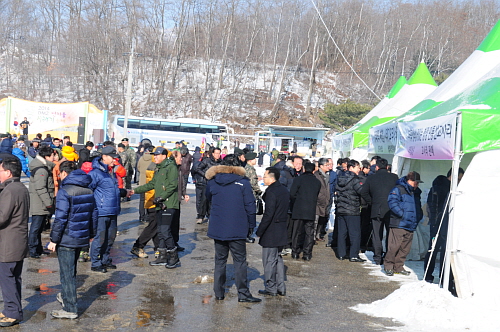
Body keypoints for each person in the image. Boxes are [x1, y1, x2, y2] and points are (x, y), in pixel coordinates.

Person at [205, 154, 261, 303]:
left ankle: (219, 292)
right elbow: (250, 205)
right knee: (240, 261)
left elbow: (208, 198)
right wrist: (251, 225)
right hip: (237, 226)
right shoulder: (243, 182)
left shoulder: (213, 182)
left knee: (220, 260)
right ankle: (243, 293)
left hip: (218, 226)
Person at [47, 161, 97, 319]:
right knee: (71, 271)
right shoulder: (88, 189)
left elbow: (60, 218)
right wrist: (91, 234)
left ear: (63, 173)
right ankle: (66, 296)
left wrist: (54, 239)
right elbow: (94, 214)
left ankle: (70, 309)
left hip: (67, 238)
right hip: (81, 237)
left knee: (66, 274)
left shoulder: (64, 191)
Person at [131, 147, 181, 269]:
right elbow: (151, 184)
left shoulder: (171, 167)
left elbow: (172, 185)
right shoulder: (158, 168)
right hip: (159, 204)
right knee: (159, 231)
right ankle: (162, 257)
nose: (155, 157)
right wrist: (134, 191)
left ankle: (174, 257)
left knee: (165, 230)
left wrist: (161, 197)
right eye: (154, 155)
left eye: (157, 155)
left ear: (164, 156)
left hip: (168, 204)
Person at [0, 156, 30, 327]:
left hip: (9, 242)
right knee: (14, 278)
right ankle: (12, 310)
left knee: (7, 278)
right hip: (16, 240)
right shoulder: (20, 187)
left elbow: (2, 217)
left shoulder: (10, 191)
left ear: (8, 172)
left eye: (0, 171)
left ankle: (12, 312)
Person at [88, 146, 126, 273]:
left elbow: (111, 190)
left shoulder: (111, 172)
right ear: (104, 157)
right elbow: (89, 191)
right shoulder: (95, 173)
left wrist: (124, 192)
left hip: (113, 210)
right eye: (112, 157)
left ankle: (105, 259)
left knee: (110, 237)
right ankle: (96, 262)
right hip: (101, 211)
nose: (114, 160)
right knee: (100, 238)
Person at [423, 168, 464, 283]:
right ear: (453, 176)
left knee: (440, 250)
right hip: (438, 224)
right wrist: (435, 223)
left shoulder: (453, 190)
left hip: (444, 225)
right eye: (459, 178)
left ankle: (439, 276)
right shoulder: (439, 188)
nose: (460, 181)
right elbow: (432, 207)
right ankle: (431, 275)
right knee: (435, 250)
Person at [256, 167, 289, 297]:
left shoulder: (272, 192)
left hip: (272, 230)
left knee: (269, 260)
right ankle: (281, 286)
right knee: (278, 259)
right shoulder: (284, 190)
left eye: (264, 176)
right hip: (281, 229)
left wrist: (260, 230)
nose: (263, 179)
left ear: (271, 177)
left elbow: (268, 214)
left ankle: (271, 287)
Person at [360, 158, 398, 265]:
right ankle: (388, 256)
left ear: (376, 167)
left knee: (377, 235)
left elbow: (364, 193)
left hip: (376, 209)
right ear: (387, 167)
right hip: (391, 209)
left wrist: (372, 202)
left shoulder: (371, 178)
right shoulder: (394, 177)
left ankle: (377, 257)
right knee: (390, 234)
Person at [384, 171, 423, 276]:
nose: (417, 184)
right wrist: (402, 214)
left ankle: (399, 266)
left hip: (411, 224)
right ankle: (388, 266)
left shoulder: (416, 192)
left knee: (405, 248)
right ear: (409, 180)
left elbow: (417, 207)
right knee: (394, 246)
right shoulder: (398, 189)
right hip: (399, 223)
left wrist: (419, 216)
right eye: (415, 182)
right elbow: (392, 202)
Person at [289, 162, 321, 260]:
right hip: (310, 209)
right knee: (309, 232)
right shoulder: (317, 182)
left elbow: (292, 194)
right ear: (313, 170)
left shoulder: (298, 179)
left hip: (298, 208)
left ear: (304, 169)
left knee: (297, 231)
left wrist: (296, 202)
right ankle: (307, 253)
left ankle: (295, 251)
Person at [28, 145, 55, 258]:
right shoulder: (41, 170)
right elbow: (41, 188)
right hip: (39, 203)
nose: (54, 158)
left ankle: (38, 249)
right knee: (35, 228)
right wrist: (48, 203)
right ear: (47, 156)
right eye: (53, 155)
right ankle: (32, 250)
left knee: (39, 228)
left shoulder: (43, 167)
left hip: (40, 202)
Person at [335, 159, 365, 262]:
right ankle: (353, 255)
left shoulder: (340, 178)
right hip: (352, 210)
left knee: (342, 233)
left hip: (341, 209)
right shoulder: (355, 180)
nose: (359, 169)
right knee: (355, 234)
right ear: (351, 168)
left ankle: (341, 254)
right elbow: (362, 192)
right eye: (357, 167)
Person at [192, 147, 222, 224]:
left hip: (216, 184)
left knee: (212, 201)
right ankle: (201, 216)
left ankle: (210, 216)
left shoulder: (221, 162)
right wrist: (206, 175)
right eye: (216, 153)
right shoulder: (206, 161)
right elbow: (198, 169)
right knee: (204, 200)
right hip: (206, 183)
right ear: (213, 153)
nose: (217, 155)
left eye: (219, 153)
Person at [244, 151, 262, 243]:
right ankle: (247, 235)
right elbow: (253, 184)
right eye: (254, 159)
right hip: (250, 195)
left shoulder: (245, 168)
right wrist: (259, 191)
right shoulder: (250, 170)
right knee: (250, 216)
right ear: (251, 160)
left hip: (246, 195)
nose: (255, 160)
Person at [314, 158, 330, 242]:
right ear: (321, 166)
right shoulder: (317, 175)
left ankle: (318, 235)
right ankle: (312, 237)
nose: (328, 167)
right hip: (318, 201)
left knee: (321, 220)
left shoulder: (327, 175)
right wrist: (320, 197)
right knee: (315, 221)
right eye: (327, 165)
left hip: (325, 201)